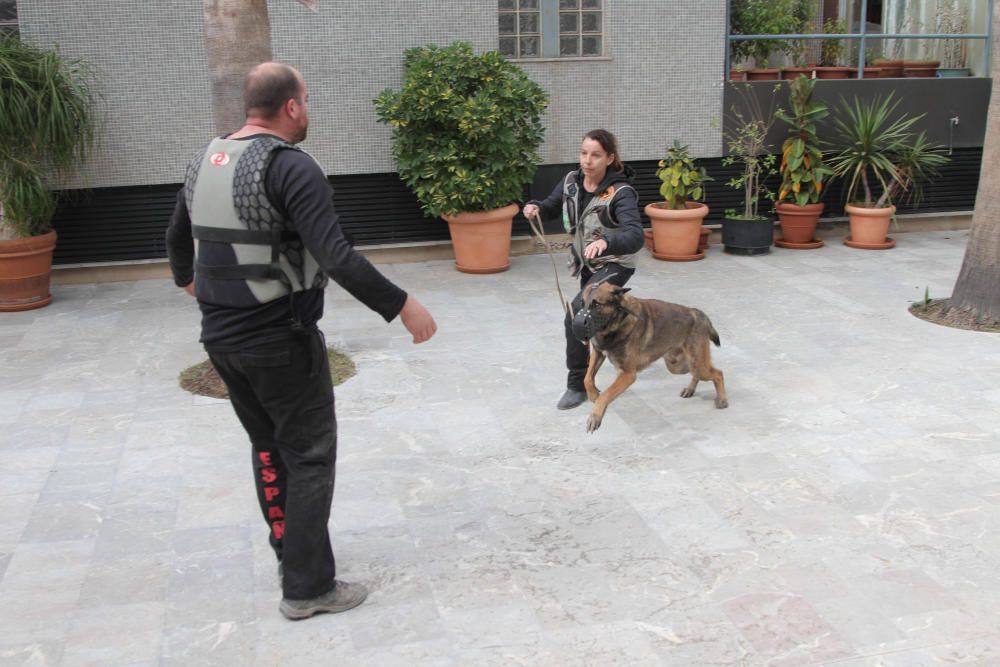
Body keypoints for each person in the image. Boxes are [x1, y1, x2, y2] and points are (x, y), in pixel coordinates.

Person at [166, 62, 437, 620]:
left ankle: (290, 554)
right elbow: (335, 254)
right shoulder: (290, 167)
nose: (308, 109)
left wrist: (193, 283)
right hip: (280, 338)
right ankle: (308, 588)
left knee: (268, 448)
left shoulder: (207, 158)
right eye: (307, 99)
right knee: (310, 457)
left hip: (221, 339)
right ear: (290, 106)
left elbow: (176, 238)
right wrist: (402, 305)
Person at [522, 129, 644, 410]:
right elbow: (551, 207)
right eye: (583, 153)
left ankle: (576, 384)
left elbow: (635, 236)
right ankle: (624, 328)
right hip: (587, 265)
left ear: (610, 158)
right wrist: (535, 207)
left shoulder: (621, 193)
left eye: (596, 155)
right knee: (592, 317)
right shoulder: (571, 182)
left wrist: (607, 240)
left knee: (576, 314)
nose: (587, 160)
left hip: (615, 265)